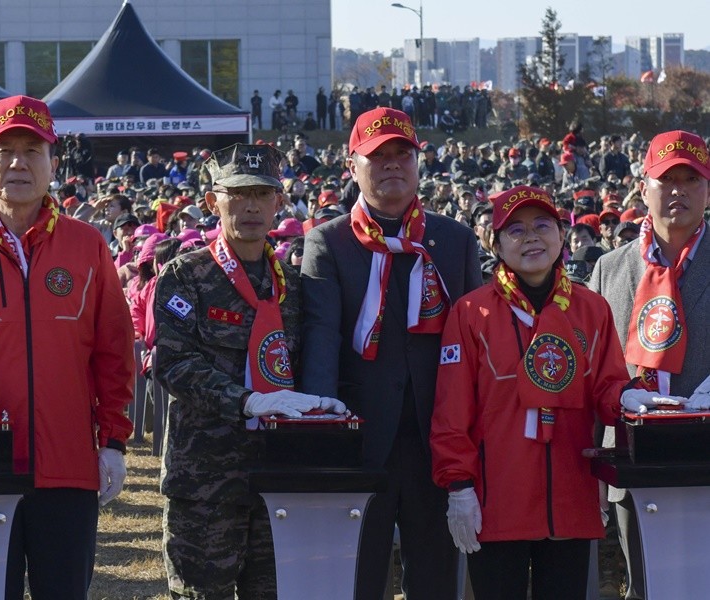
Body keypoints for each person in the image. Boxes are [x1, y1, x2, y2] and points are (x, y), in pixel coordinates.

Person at [0, 95, 135, 600]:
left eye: (32, 150)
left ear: (53, 163)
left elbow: (113, 352)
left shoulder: (88, 246)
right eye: (5, 149)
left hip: (69, 468)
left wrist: (114, 442)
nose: (18, 162)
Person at [300, 107, 482, 600]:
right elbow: (321, 338)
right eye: (377, 155)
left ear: (419, 162)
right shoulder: (328, 241)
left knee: (436, 578)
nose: (392, 165)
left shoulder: (455, 239)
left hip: (436, 441)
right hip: (360, 438)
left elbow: (474, 347)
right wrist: (324, 433)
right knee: (357, 577)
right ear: (352, 164)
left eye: (403, 153)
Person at [154, 143, 345, 599]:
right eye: (238, 193)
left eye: (263, 193)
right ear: (211, 201)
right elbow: (173, 362)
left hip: (276, 480)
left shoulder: (292, 286)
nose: (252, 205)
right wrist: (245, 400)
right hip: (206, 482)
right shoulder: (186, 275)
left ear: (280, 202)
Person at [430, 185, 633, 599]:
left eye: (543, 226)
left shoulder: (592, 309)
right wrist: (458, 486)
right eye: (516, 230)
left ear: (562, 234)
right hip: (495, 501)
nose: (532, 238)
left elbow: (608, 386)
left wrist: (631, 399)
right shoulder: (471, 313)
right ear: (496, 242)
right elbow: (452, 409)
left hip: (569, 499)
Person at [589, 130, 710, 600]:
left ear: (707, 188)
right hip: (634, 465)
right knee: (646, 586)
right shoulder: (609, 269)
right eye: (666, 179)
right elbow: (595, 370)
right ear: (644, 188)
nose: (677, 190)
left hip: (705, 459)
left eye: (691, 179)